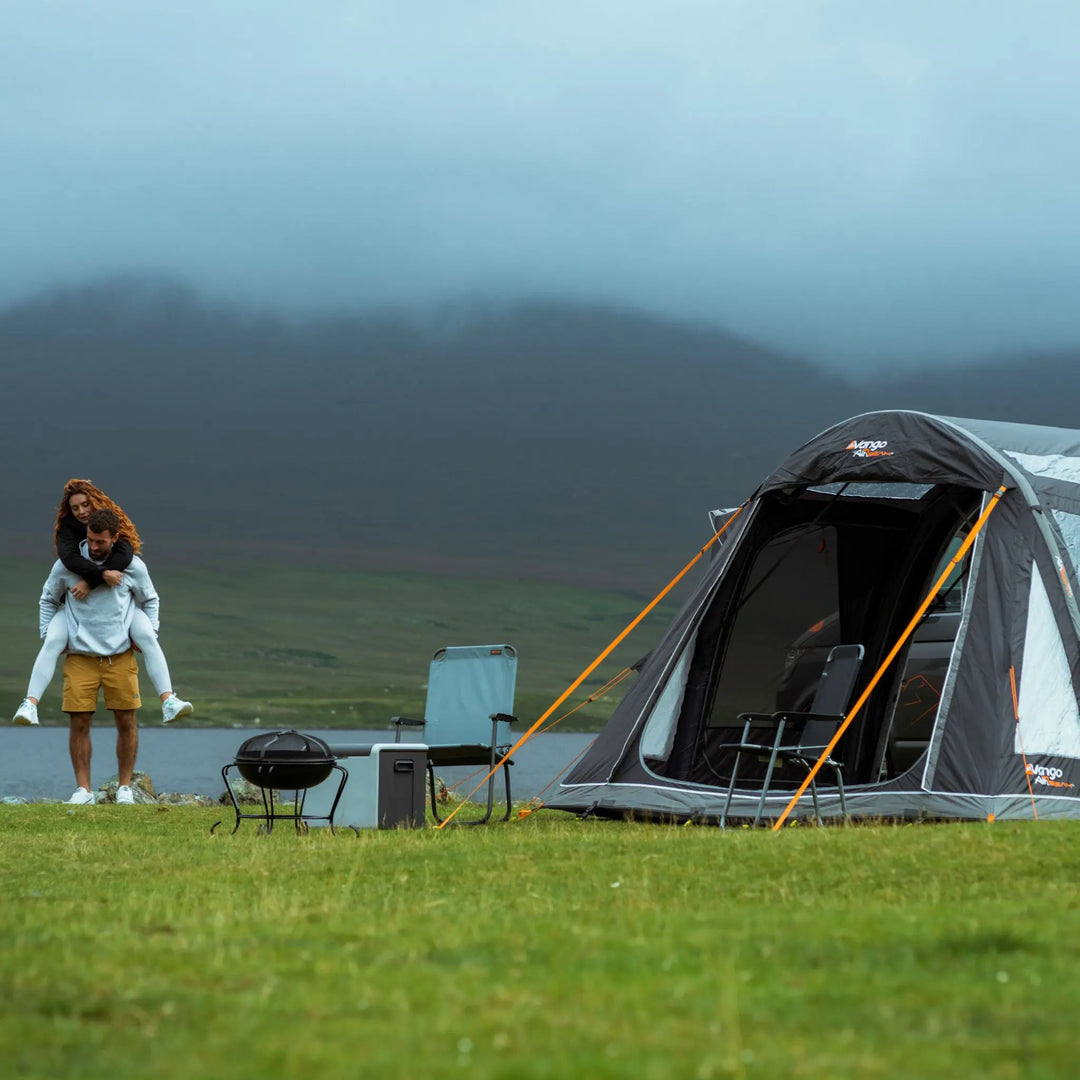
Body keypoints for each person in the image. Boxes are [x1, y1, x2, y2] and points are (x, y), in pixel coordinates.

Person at [13, 478, 192, 727]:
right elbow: (64, 566)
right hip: (73, 614)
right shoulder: (68, 532)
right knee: (53, 640)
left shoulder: (122, 541)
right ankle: (30, 704)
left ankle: (169, 700)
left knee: (149, 637)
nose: (82, 511)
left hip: (125, 613)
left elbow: (129, 559)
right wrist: (98, 577)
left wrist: (151, 626)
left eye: (86, 505)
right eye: (76, 508)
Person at [38, 508, 166, 804]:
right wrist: (48, 635)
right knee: (79, 722)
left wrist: (150, 633)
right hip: (80, 657)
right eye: (91, 540)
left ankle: (124, 788)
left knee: (126, 721)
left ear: (115, 538)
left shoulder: (134, 567)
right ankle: (83, 789)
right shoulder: (66, 565)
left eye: (101, 542)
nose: (94, 547)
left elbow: (150, 599)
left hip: (119, 657)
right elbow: (47, 598)